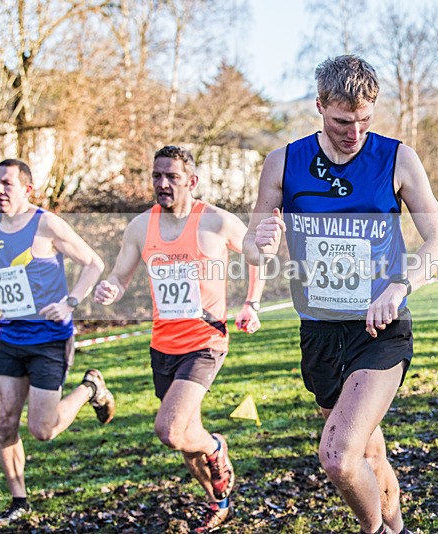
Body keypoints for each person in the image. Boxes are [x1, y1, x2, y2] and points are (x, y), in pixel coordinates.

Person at [243, 55, 438, 534]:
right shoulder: (284, 162)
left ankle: (374, 530)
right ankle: (398, 526)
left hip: (380, 328)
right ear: (319, 106)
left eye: (364, 120)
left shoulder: (397, 158)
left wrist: (401, 286)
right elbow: (254, 251)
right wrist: (260, 244)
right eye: (341, 121)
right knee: (370, 455)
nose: (354, 133)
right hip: (319, 334)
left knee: (338, 457)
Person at [93, 146, 265, 532]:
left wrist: (251, 303)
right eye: (157, 175)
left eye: (171, 176)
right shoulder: (140, 226)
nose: (162, 183)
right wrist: (110, 289)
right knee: (186, 435)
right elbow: (121, 275)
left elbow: (257, 256)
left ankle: (216, 447)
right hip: (163, 345)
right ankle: (219, 502)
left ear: (192, 181)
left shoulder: (216, 222)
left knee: (170, 431)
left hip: (205, 341)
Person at [0, 159, 111, 528]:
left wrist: (71, 301)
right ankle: (18, 500)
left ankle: (90, 387)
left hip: (50, 340)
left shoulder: (46, 224)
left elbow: (93, 262)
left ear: (27, 189)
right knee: (4, 422)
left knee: (44, 430)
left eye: (7, 183)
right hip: (11, 338)